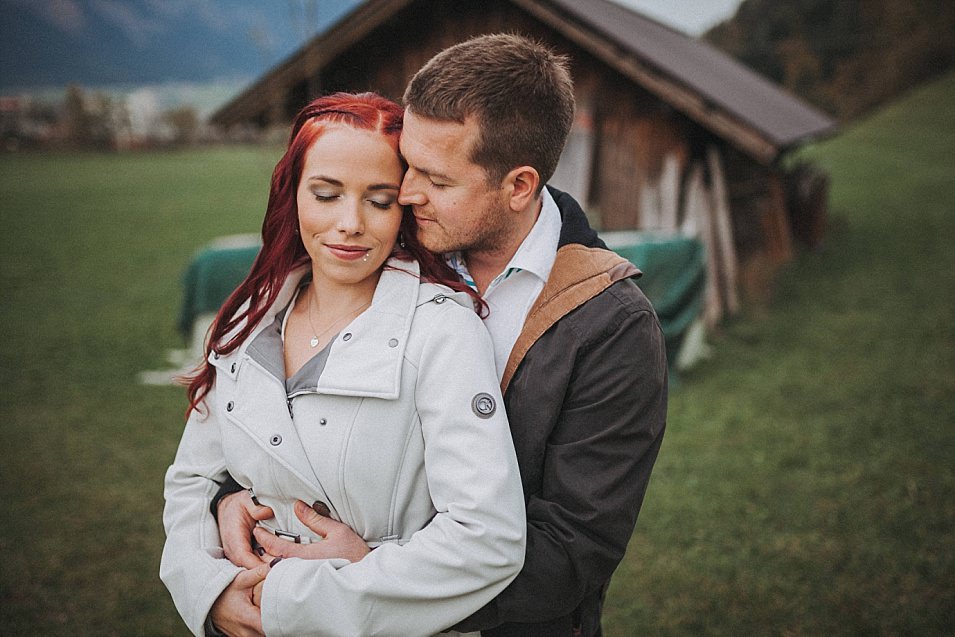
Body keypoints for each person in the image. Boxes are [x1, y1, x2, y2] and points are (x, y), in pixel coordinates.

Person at [215, 33, 668, 636]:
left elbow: (575, 546)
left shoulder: (610, 325)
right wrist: (228, 499)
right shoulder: (382, 248)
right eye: (408, 165)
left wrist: (371, 577)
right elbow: (289, 399)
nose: (404, 194)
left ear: (518, 186)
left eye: (437, 179)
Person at [160, 92, 527, 637]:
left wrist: (295, 600)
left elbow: (487, 536)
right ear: (293, 195)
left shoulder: (442, 331)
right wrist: (209, 594)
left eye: (379, 201)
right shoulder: (247, 321)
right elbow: (192, 480)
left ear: (406, 206)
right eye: (327, 194)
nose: (350, 223)